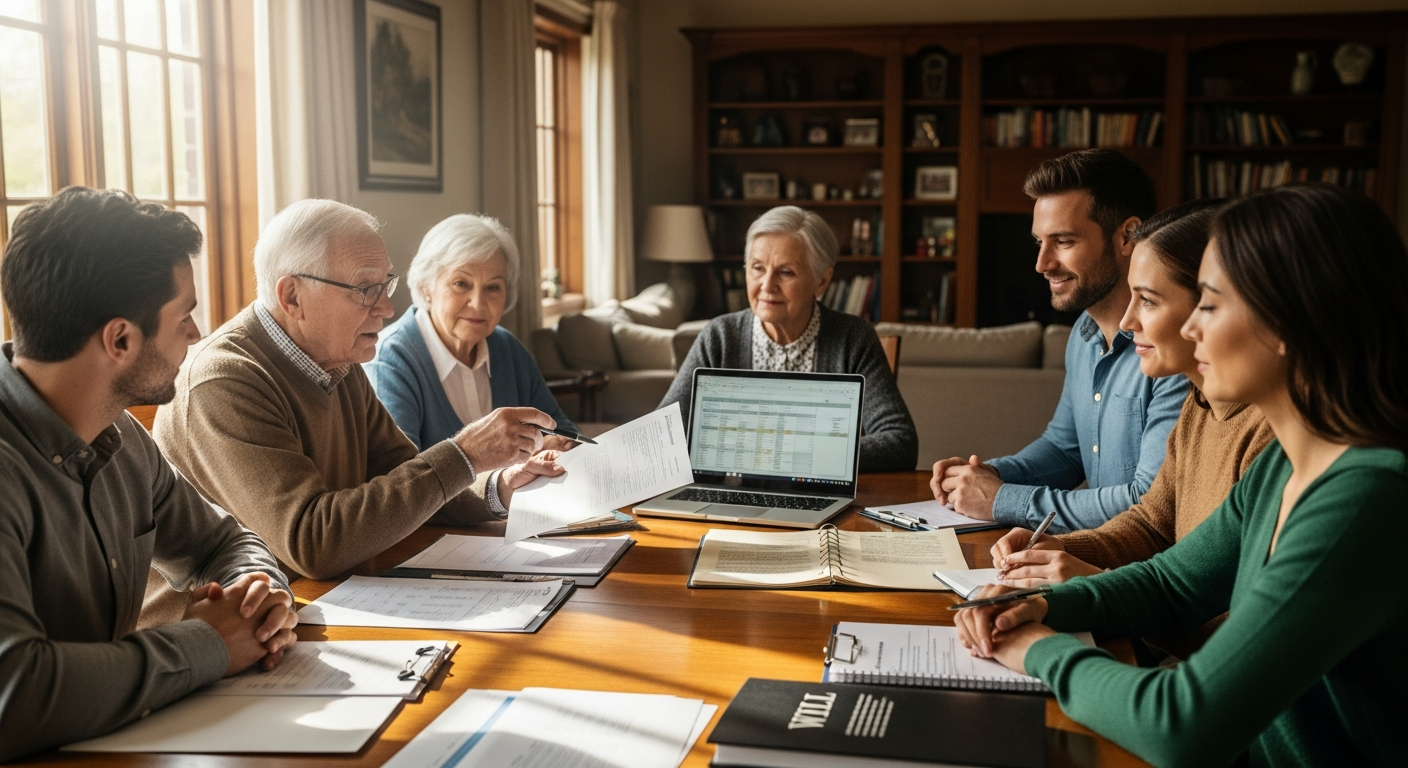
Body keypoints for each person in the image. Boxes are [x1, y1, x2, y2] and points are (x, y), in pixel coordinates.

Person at [954, 184, 1408, 767]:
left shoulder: (1365, 496)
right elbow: (1172, 585)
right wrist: (1042, 607)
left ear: (1293, 319)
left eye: (1211, 305)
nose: (1190, 331)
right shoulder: (1284, 466)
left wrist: (1037, 649)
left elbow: (1180, 724)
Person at [0, 188, 297, 759]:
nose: (196, 333)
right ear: (120, 339)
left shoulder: (121, 435)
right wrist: (210, 642)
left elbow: (226, 542)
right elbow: (16, 692)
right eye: (183, 316)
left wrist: (258, 597)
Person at [154, 199, 563, 582]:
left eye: (385, 286)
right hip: (226, 633)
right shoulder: (224, 382)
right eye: (366, 290)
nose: (386, 308)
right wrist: (465, 453)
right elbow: (313, 543)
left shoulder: (337, 357)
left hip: (319, 603)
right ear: (292, 296)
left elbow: (411, 480)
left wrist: (499, 486)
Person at [988, 198, 1274, 658]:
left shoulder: (1276, 442)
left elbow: (1226, 633)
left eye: (1149, 300)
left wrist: (1084, 595)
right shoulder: (1201, 408)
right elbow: (1155, 531)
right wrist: (1060, 553)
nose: (1127, 322)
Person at [932, 148, 1186, 533]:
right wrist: (983, 475)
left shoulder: (1173, 348)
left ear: (1127, 236)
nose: (1042, 263)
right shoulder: (1083, 336)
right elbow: (1065, 451)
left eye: (1063, 241)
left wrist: (1001, 499)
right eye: (1040, 242)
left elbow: (1148, 503)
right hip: (1092, 558)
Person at [660, 205, 918, 472]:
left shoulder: (853, 338)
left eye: (786, 272)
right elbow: (662, 436)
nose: (767, 285)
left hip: (820, 495)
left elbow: (901, 443)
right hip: (732, 494)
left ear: (821, 281)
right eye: (758, 268)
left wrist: (793, 454)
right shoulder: (720, 337)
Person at [367, 214, 576, 452]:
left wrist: (557, 447)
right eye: (461, 283)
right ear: (427, 287)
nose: (478, 303)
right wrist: (516, 466)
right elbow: (402, 480)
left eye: (493, 287)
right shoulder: (389, 363)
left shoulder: (509, 349)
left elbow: (563, 434)